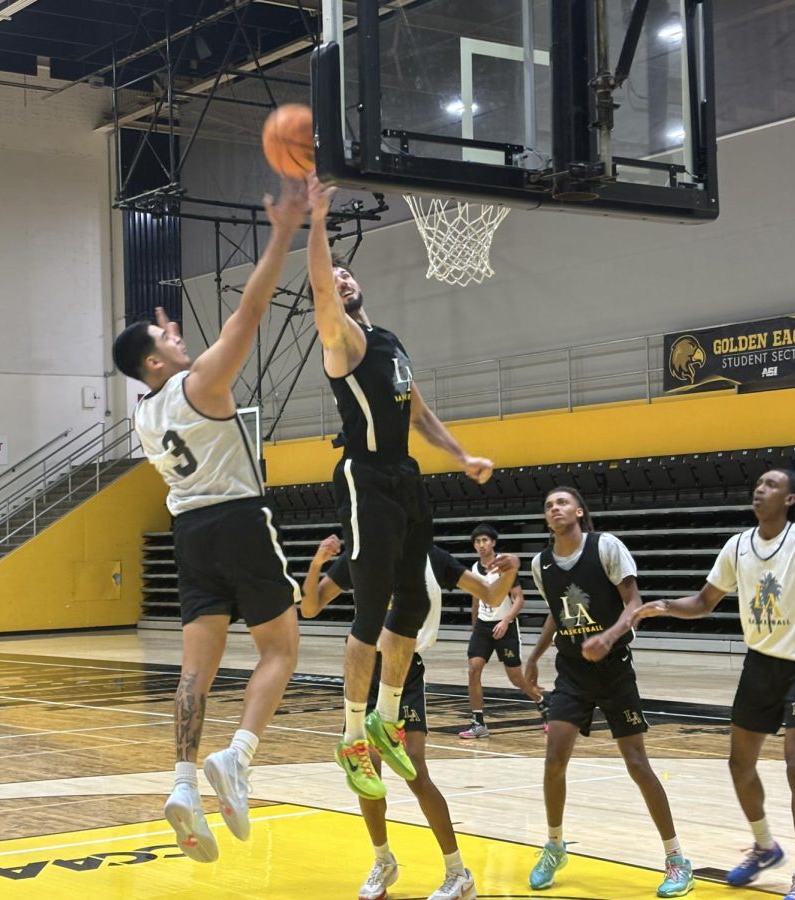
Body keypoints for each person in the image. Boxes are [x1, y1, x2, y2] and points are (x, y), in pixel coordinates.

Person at [111, 179, 307, 863]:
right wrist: (284, 230)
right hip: (237, 519)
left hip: (187, 536)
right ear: (155, 361)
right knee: (282, 650)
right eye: (168, 335)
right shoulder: (201, 385)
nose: (178, 333)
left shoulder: (142, 413)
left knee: (195, 673)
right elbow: (249, 313)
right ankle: (240, 757)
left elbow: (165, 362)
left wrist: (161, 346)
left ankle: (182, 784)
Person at [306, 172, 494, 801]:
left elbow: (418, 412)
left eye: (348, 272)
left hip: (407, 476)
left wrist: (462, 454)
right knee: (371, 607)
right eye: (334, 277)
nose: (344, 278)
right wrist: (316, 221)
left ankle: (386, 719)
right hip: (365, 478)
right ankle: (352, 734)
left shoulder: (389, 343)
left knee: (412, 602)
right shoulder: (343, 342)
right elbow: (321, 293)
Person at [633, 469, 795, 900]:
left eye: (771, 485)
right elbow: (704, 601)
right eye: (758, 483)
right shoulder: (737, 546)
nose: (760, 488)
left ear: (791, 499)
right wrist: (662, 606)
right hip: (758, 666)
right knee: (739, 764)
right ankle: (765, 845)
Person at [301, 534, 520, 900]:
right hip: (362, 669)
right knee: (365, 770)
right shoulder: (362, 552)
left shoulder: (431, 556)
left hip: (404, 667)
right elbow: (310, 607)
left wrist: (509, 573)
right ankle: (383, 860)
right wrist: (316, 564)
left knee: (415, 769)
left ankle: (457, 872)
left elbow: (492, 594)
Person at [523, 488, 694, 897]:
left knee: (637, 762)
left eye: (562, 503)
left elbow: (633, 602)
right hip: (572, 674)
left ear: (579, 511)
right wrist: (533, 656)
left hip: (614, 670)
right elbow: (557, 613)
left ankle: (676, 859)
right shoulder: (540, 563)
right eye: (548, 506)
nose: (555, 509)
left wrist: (609, 637)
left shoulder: (606, 547)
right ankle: (554, 846)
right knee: (553, 760)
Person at [461, 523, 548, 738]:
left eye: (485, 540)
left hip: (505, 625)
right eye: (478, 541)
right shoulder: (473, 569)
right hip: (483, 625)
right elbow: (475, 599)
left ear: (493, 543)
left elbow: (519, 599)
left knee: (516, 679)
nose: (481, 545)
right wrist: (475, 628)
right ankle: (478, 723)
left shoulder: (505, 566)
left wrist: (506, 620)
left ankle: (543, 702)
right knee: (473, 670)